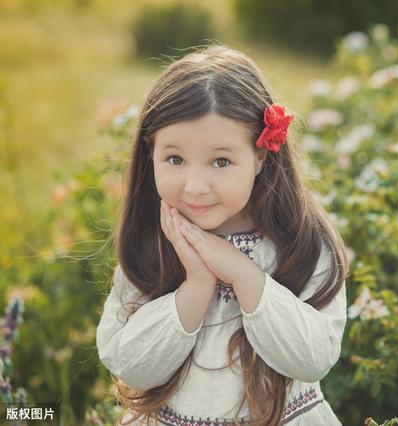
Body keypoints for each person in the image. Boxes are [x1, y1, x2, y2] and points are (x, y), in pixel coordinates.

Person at [95, 44, 349, 426]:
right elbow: (132, 368)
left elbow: (313, 360)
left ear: (260, 156)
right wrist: (196, 285)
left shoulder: (302, 243)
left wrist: (242, 273)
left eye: (221, 161)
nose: (196, 186)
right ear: (151, 153)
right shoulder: (154, 243)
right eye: (175, 159)